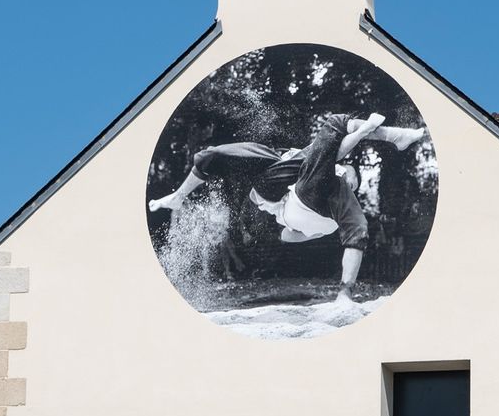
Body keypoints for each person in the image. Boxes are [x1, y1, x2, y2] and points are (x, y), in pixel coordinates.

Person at [150, 112, 427, 305]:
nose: (349, 182)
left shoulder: (334, 189)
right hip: (278, 168)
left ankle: (393, 135)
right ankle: (178, 195)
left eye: (352, 182)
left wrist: (367, 130)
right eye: (351, 178)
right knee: (212, 155)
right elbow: (333, 151)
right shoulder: (332, 205)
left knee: (336, 126)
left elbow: (336, 152)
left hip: (279, 186)